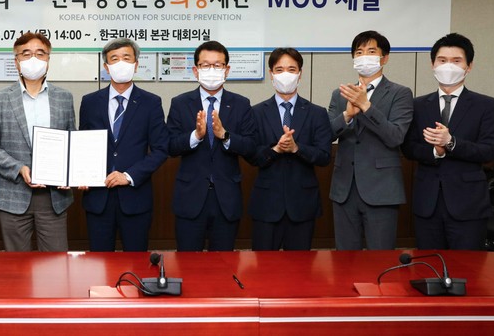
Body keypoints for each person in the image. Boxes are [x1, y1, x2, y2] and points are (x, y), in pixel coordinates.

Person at [0, 32, 76, 252]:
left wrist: (69, 173)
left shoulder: (64, 97)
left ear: (48, 60)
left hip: (54, 196)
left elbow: (71, 139)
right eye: (26, 54)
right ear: (16, 61)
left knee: (55, 263)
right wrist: (19, 168)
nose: (33, 59)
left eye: (40, 54)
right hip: (12, 193)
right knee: (16, 266)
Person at [402, 33, 494, 250]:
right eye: (442, 60)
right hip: (427, 203)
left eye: (456, 61)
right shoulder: (417, 105)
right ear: (433, 65)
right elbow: (408, 147)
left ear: (469, 66)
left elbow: (489, 150)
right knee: (428, 264)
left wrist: (451, 142)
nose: (448, 66)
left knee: (468, 267)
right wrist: (436, 152)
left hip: (468, 205)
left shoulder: (486, 105)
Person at [78, 38, 169, 252]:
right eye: (114, 59)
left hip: (135, 198)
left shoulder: (151, 102)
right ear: (106, 66)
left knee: (136, 261)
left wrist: (128, 176)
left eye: (126, 58)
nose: (121, 63)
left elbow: (161, 149)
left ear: (136, 65)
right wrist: (81, 173)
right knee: (99, 262)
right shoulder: (90, 102)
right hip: (98, 198)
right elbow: (83, 144)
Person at [167, 40, 257, 251]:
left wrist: (224, 136)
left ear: (227, 70)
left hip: (226, 198)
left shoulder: (241, 104)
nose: (211, 70)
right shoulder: (180, 103)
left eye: (217, 65)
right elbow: (170, 146)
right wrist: (196, 136)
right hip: (190, 197)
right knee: (188, 262)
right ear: (195, 70)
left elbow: (251, 147)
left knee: (223, 263)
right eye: (205, 65)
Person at [328, 30, 413, 250]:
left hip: (382, 189)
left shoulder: (400, 93)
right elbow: (327, 134)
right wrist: (347, 115)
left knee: (381, 259)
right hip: (344, 189)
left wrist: (366, 106)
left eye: (371, 51)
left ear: (384, 58)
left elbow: (395, 136)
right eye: (359, 52)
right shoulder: (340, 94)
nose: (364, 56)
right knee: (345, 260)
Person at [247, 48, 332, 251]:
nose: (285, 74)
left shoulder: (317, 113)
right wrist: (276, 149)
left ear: (300, 74)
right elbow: (251, 155)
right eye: (279, 69)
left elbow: (324, 156)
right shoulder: (256, 112)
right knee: (264, 265)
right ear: (271, 74)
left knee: (300, 266)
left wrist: (296, 148)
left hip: (302, 204)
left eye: (291, 69)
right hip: (266, 204)